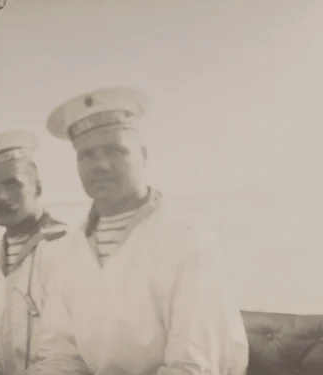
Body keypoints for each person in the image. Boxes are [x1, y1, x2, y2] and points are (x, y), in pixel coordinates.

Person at [26, 88, 248, 374]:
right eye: (87, 155)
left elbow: (195, 367)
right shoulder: (70, 251)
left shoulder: (189, 242)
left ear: (143, 155)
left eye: (115, 150)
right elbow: (61, 355)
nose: (100, 165)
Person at [0, 130, 71, 375]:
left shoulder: (65, 250)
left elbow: (70, 355)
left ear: (38, 188)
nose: (0, 196)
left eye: (13, 184)